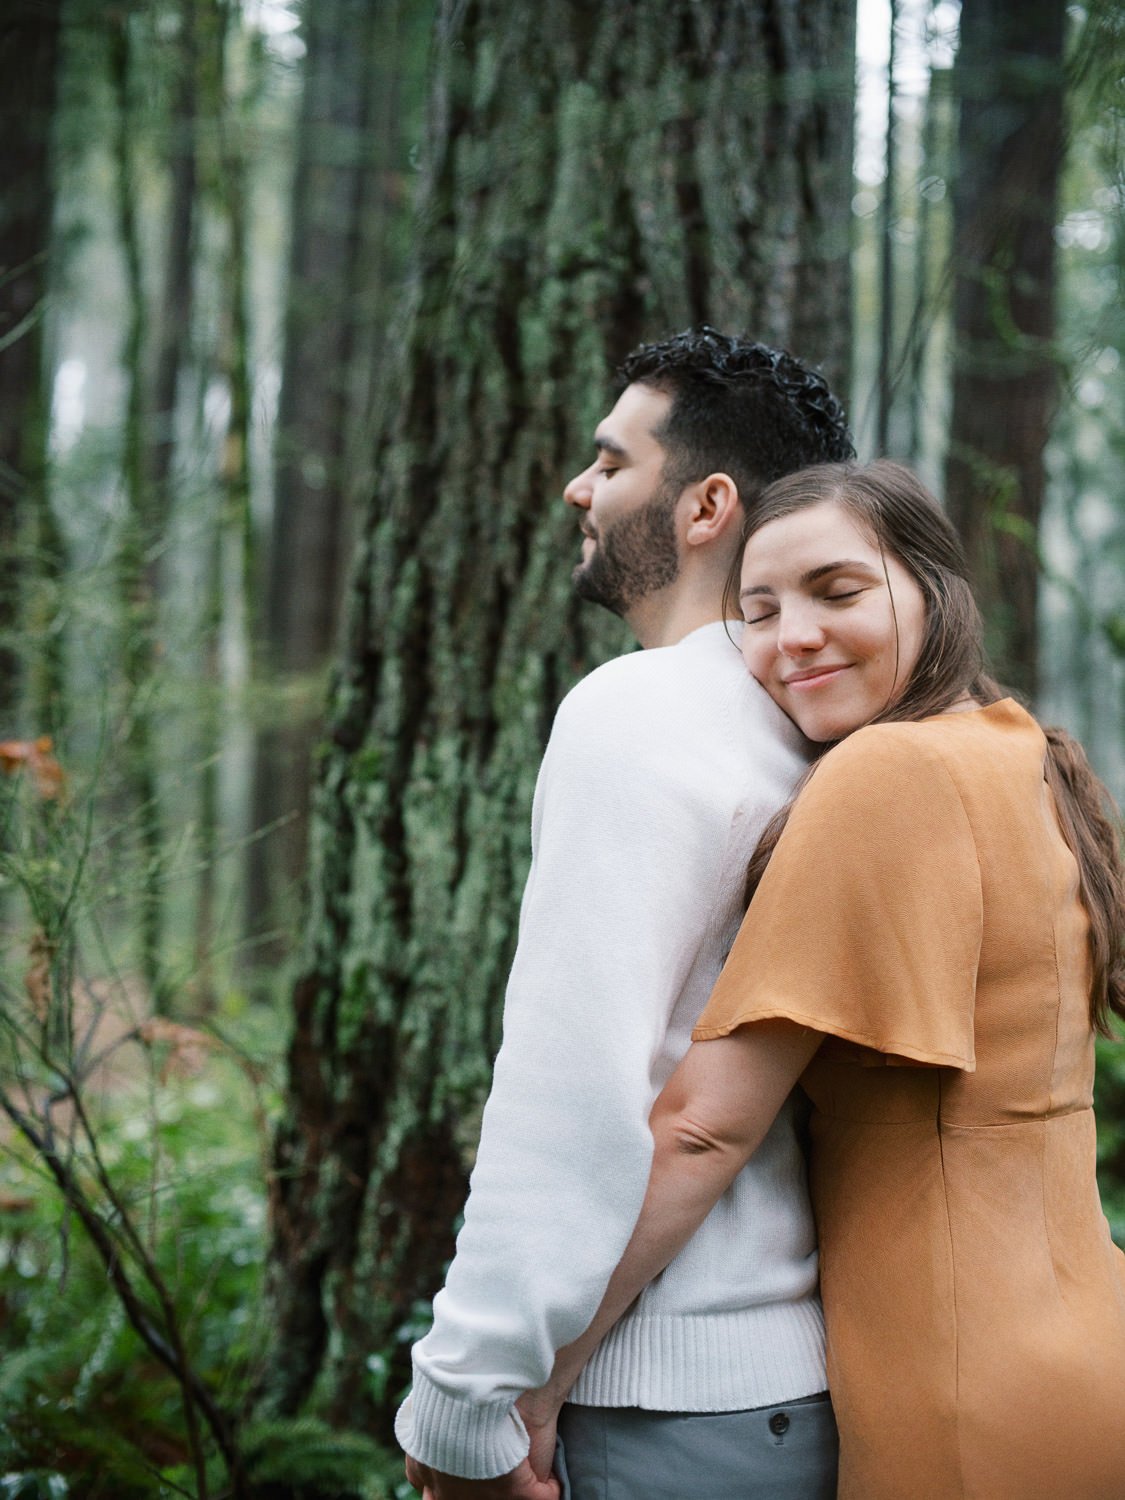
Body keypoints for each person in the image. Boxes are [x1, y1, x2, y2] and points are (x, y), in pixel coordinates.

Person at [522, 458, 1125, 1500]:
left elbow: (706, 1126)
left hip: (958, 1389)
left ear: (936, 591)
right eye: (756, 611)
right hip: (1082, 1346)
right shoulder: (1017, 748)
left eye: (838, 592)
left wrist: (538, 1379)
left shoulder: (884, 775)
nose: (791, 636)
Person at [396, 329, 854, 1500]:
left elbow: (573, 1082)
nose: (577, 488)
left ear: (706, 505)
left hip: (651, 1412)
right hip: (784, 1391)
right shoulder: (808, 735)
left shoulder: (641, 712)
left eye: (611, 461)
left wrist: (463, 1398)